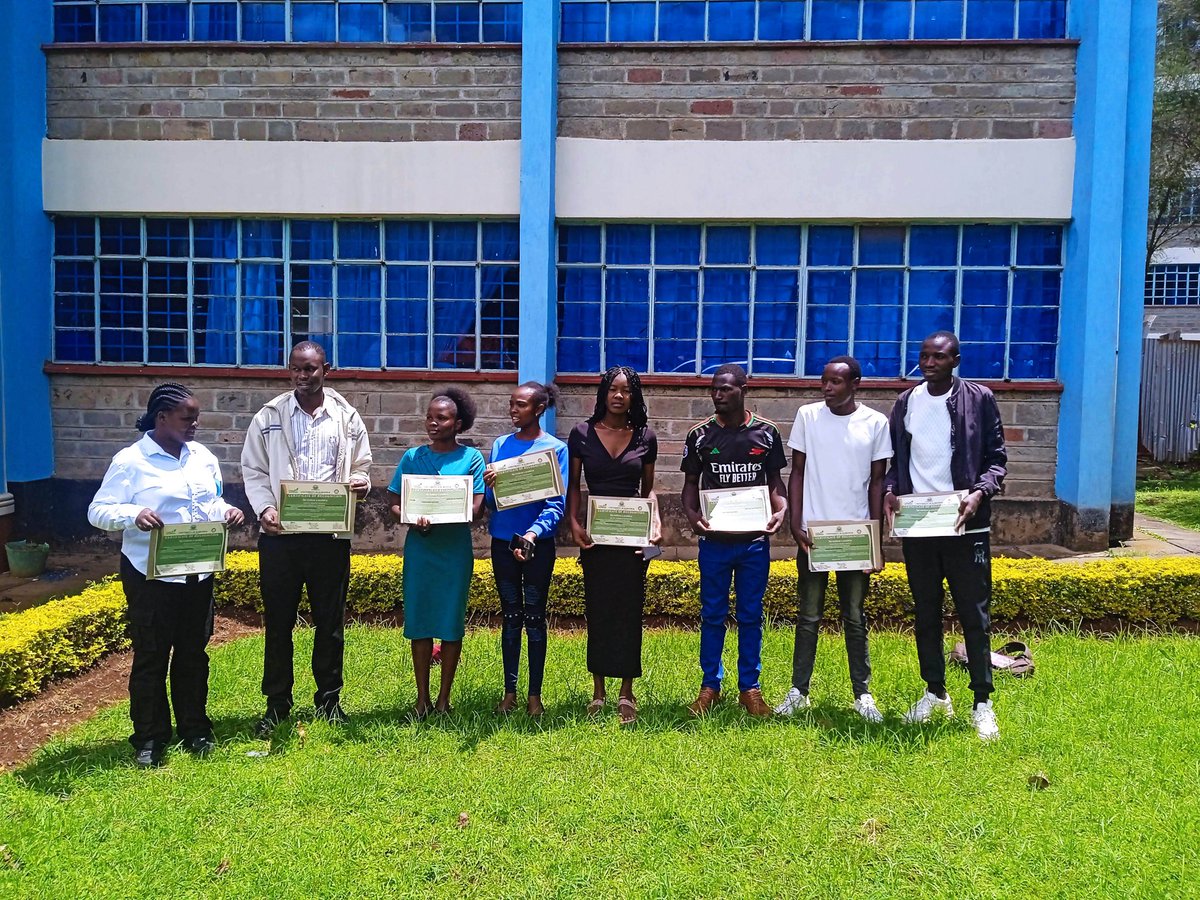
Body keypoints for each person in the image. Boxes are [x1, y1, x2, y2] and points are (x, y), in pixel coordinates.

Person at [88, 383, 245, 767]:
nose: (194, 425)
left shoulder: (203, 457)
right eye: (186, 418)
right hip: (150, 575)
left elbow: (210, 500)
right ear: (161, 418)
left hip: (197, 571)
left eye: (196, 418)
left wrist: (227, 511)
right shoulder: (131, 461)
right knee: (152, 656)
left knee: (193, 654)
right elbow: (97, 510)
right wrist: (133, 515)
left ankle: (195, 730)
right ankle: (150, 738)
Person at [240, 341, 372, 736]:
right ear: (289, 370)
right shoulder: (269, 416)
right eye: (296, 369)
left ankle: (329, 700)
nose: (303, 376)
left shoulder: (346, 417)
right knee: (278, 622)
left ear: (325, 369)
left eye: (310, 369)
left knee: (329, 623)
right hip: (281, 538)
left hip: (329, 537)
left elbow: (362, 464)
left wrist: (361, 482)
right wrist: (265, 509)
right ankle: (277, 703)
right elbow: (253, 469)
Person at [883, 331, 1007, 741]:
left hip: (965, 525)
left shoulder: (980, 399)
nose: (929, 362)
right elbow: (897, 464)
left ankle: (982, 703)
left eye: (938, 357)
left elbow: (996, 461)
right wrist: (889, 492)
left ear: (955, 359)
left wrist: (978, 493)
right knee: (926, 611)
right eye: (923, 356)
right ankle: (935, 692)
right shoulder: (906, 403)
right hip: (921, 526)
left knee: (974, 613)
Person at [776, 356, 891, 722]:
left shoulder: (875, 423)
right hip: (814, 535)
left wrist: (876, 536)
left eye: (836, 382)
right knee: (808, 615)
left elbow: (877, 482)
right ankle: (798, 691)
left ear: (855, 383)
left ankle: (863, 694)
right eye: (824, 381)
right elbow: (797, 472)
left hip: (855, 535)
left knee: (854, 616)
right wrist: (796, 523)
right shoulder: (808, 416)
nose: (827, 387)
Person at [680, 364, 787, 718]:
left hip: (753, 541)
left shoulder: (767, 433)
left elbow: (775, 482)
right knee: (712, 614)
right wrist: (693, 515)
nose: (718, 395)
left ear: (743, 388)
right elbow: (690, 484)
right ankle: (710, 685)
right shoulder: (699, 435)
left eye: (725, 389)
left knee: (750, 615)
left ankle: (750, 688)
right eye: (714, 389)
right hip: (715, 542)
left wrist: (780, 509)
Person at [565, 366, 661, 725]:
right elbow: (574, 485)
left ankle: (626, 692)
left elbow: (647, 489)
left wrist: (656, 520)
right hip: (596, 538)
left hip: (633, 541)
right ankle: (598, 691)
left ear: (634, 397)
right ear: (603, 393)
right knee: (600, 611)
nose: (619, 396)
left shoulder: (645, 437)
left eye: (626, 391)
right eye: (613, 389)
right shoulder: (582, 434)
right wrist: (574, 522)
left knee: (629, 612)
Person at [386, 388, 486, 717]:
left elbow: (477, 508)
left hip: (453, 550)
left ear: (458, 424)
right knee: (420, 621)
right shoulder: (412, 457)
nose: (433, 423)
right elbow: (395, 504)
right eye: (429, 417)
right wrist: (412, 518)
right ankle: (421, 700)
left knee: (450, 622)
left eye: (441, 418)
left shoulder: (471, 459)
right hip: (421, 548)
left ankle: (444, 700)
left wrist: (452, 513)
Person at [483, 381, 568, 717]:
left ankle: (535, 695)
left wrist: (533, 534)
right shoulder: (500, 444)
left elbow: (555, 504)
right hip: (503, 542)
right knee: (510, 616)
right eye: (511, 404)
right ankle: (509, 692)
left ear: (539, 409)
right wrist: (489, 488)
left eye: (520, 405)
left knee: (534, 617)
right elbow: (494, 502)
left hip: (537, 544)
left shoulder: (555, 449)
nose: (513, 410)